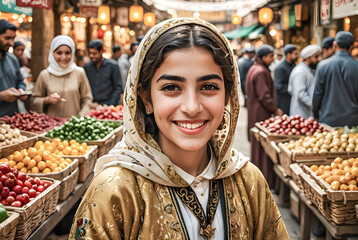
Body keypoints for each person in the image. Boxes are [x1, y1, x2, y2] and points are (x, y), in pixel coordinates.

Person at [69, 18, 289, 240]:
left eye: (209, 87)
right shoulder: (114, 192)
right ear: (146, 99)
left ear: (227, 96)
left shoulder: (250, 182)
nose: (192, 107)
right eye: (171, 87)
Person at [246, 44, 283, 188]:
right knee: (262, 147)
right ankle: (264, 179)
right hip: (261, 113)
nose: (273, 58)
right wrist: (275, 109)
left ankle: (258, 177)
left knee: (258, 146)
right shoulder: (261, 72)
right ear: (263, 57)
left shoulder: (254, 69)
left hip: (255, 113)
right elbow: (264, 96)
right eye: (270, 56)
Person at [30, 35, 93, 118]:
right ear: (52, 53)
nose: (64, 57)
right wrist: (46, 100)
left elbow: (87, 99)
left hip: (75, 126)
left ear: (73, 53)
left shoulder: (79, 72)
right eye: (59, 53)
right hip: (51, 126)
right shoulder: (45, 75)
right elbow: (33, 101)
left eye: (68, 53)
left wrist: (80, 118)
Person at [313, 31, 358, 127]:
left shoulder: (322, 65)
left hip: (328, 120)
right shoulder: (356, 65)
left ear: (334, 45)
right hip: (353, 121)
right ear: (351, 47)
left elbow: (317, 94)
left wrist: (315, 114)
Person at [0, 19, 27, 117]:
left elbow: (20, 81)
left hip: (12, 118)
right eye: (7, 38)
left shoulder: (13, 59)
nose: (11, 43)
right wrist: (1, 96)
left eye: (13, 38)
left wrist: (21, 90)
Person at [84, 40, 123, 106]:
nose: (91, 56)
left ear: (101, 51)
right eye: (90, 53)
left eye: (94, 53)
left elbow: (118, 88)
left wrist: (111, 104)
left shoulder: (113, 66)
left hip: (109, 106)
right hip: (92, 105)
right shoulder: (87, 67)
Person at [288, 45, 321, 119]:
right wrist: (314, 105)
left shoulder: (309, 70)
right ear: (308, 58)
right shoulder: (300, 71)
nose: (319, 59)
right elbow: (300, 94)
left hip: (307, 113)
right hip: (300, 113)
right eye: (316, 57)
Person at [275, 44, 299, 115]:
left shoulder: (294, 65)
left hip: (292, 102)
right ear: (288, 54)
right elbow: (279, 87)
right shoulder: (280, 68)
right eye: (295, 54)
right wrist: (293, 89)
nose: (297, 56)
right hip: (284, 104)